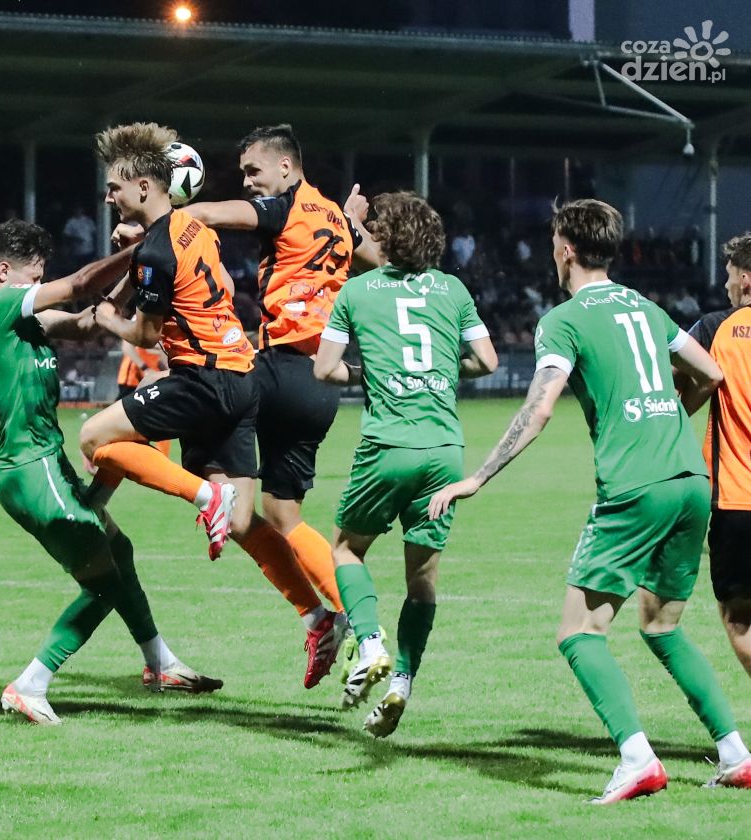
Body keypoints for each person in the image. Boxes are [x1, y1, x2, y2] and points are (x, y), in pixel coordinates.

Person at [429, 199, 750, 800]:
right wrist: (666, 420)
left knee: (578, 632)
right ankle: (735, 754)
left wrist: (478, 477)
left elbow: (539, 408)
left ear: (566, 248)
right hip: (690, 480)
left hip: (635, 487)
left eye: (554, 241)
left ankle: (637, 759)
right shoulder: (646, 307)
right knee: (662, 626)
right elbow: (710, 373)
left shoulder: (564, 319)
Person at [81, 123, 337, 687]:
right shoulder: (193, 229)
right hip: (242, 375)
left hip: (202, 378)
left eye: (114, 186)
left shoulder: (155, 250)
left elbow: (145, 334)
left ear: (144, 186)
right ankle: (318, 617)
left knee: (94, 437)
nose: (108, 196)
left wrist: (105, 318)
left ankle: (184, 497)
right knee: (244, 522)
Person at [147, 123, 381, 688]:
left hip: (278, 368)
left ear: (285, 167)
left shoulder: (286, 206)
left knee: (204, 434)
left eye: (254, 171)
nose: (249, 182)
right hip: (321, 384)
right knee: (282, 518)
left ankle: (208, 497)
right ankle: (360, 631)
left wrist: (162, 219)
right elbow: (378, 257)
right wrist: (352, 224)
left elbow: (208, 215)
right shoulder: (333, 216)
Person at [0, 220, 219, 723]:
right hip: (31, 470)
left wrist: (135, 275)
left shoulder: (19, 318)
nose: (39, 286)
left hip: (44, 465)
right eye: (34, 278)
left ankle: (160, 663)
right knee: (103, 581)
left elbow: (86, 321)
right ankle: (30, 684)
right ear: (4, 271)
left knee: (119, 551)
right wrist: (144, 247)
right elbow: (80, 284)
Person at [314, 191, 498, 736]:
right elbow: (487, 361)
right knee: (422, 581)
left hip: (388, 446)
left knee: (346, 549)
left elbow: (325, 369)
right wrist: (439, 373)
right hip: (444, 451)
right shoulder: (453, 289)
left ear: (386, 238)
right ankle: (402, 683)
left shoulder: (357, 291)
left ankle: (371, 643)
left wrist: (370, 374)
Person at [684, 232, 751, 681]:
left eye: (729, 275)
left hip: (738, 498)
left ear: (745, 279)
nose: (725, 284)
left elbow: (668, 382)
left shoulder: (714, 329)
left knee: (739, 617)